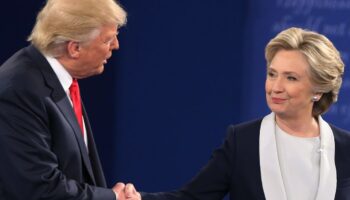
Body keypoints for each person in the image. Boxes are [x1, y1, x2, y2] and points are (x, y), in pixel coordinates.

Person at [142, 27, 350, 200]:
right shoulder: (242, 141)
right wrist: (133, 198)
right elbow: (191, 198)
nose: (275, 87)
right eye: (272, 74)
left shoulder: (345, 148)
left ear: (318, 90)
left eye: (291, 78)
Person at [0, 0, 141, 199]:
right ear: (74, 48)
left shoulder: (56, 78)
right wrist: (113, 198)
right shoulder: (18, 91)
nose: (116, 46)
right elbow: (38, 188)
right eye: (108, 40)